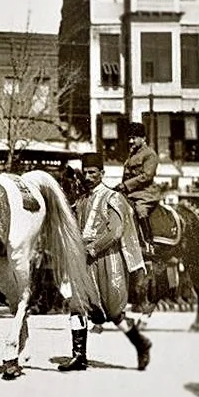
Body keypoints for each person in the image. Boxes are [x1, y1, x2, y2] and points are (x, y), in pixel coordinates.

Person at [59, 152, 152, 371]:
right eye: (86, 173)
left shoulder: (113, 197)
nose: (88, 177)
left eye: (93, 173)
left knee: (113, 312)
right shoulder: (82, 200)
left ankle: (141, 344)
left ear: (102, 173)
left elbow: (116, 232)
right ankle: (79, 356)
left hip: (107, 259)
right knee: (77, 305)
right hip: (83, 260)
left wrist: (93, 248)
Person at [115, 122, 159, 255]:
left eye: (134, 138)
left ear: (143, 138)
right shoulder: (131, 155)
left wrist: (125, 185)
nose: (130, 141)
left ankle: (148, 243)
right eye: (129, 138)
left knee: (140, 210)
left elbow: (147, 176)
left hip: (145, 193)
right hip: (130, 193)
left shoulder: (150, 154)